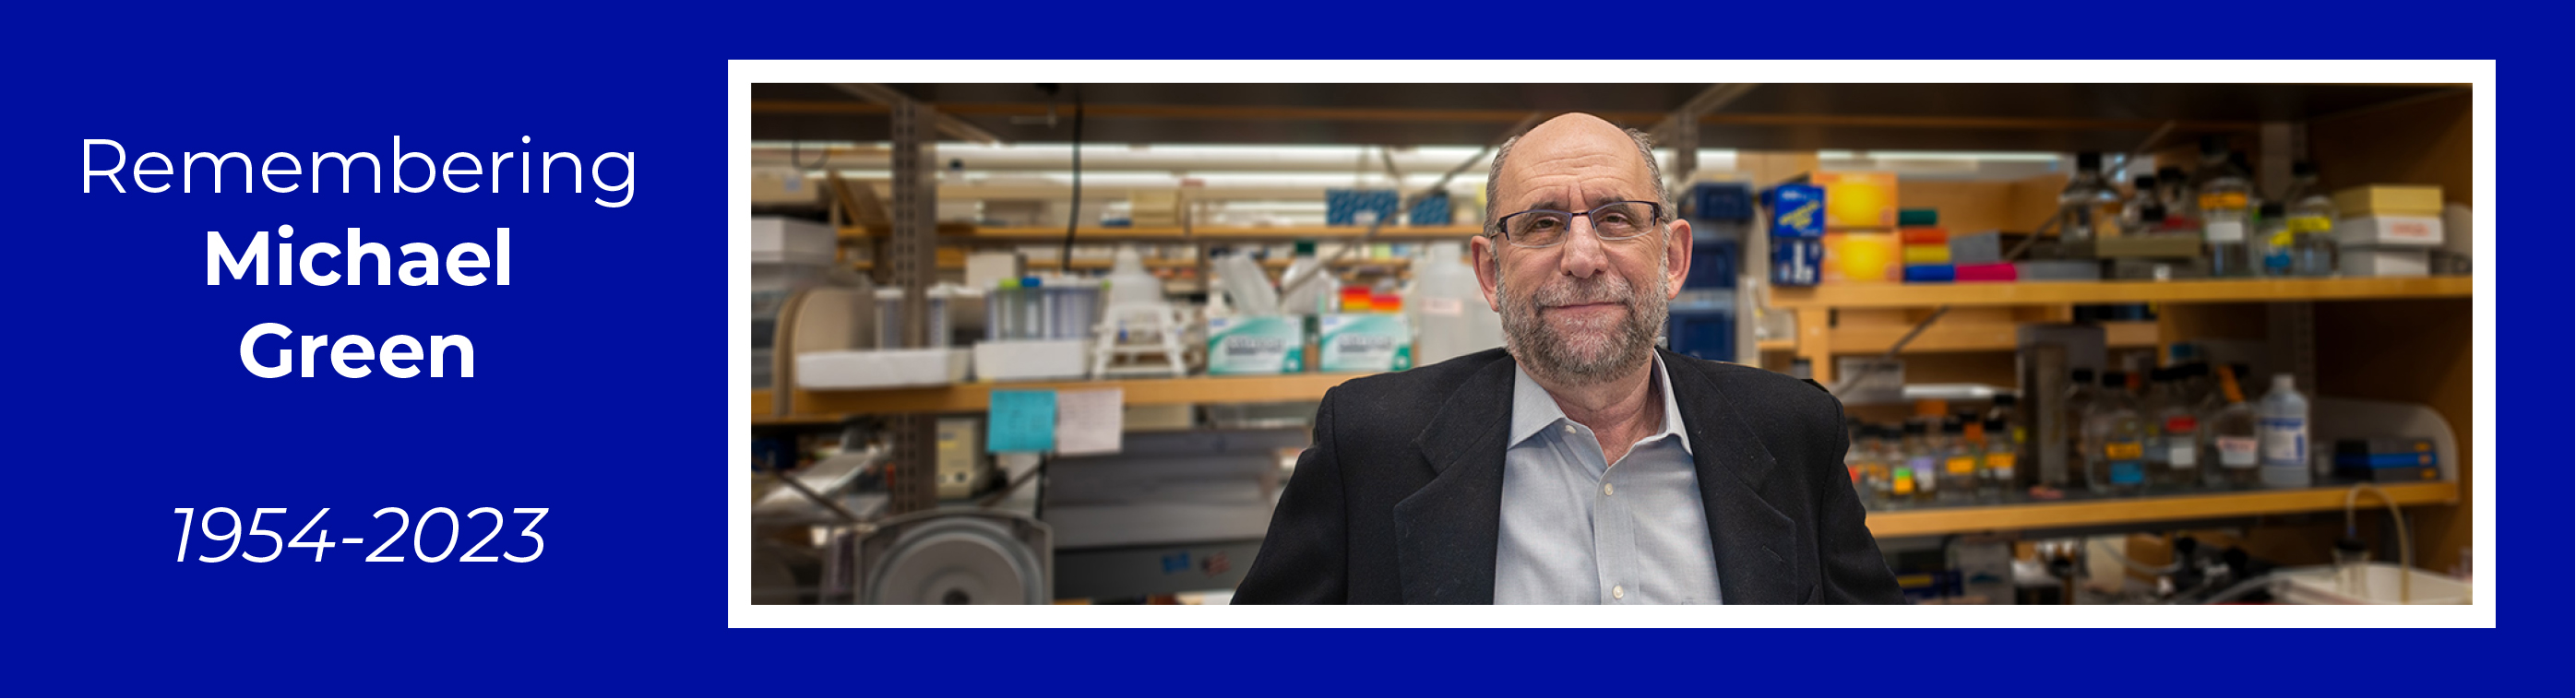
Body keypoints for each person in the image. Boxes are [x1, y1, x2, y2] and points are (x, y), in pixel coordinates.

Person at [1234, 113, 1902, 604]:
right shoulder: (1368, 444)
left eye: (1615, 218)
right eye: (1541, 224)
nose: (1582, 259)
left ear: (1671, 258)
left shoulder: (1794, 432)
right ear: (1490, 272)